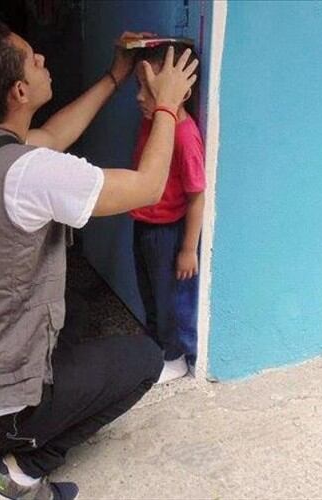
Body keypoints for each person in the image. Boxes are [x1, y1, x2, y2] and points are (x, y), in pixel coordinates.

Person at [0, 17, 198, 500]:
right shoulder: (31, 175)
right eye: (34, 58)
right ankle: (23, 466)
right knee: (144, 358)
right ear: (20, 91)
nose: (44, 58)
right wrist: (167, 106)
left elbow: (48, 136)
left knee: (77, 313)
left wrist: (114, 76)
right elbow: (147, 186)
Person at [129, 42, 205, 383]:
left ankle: (174, 357)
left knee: (166, 298)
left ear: (181, 92)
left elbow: (196, 196)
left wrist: (188, 249)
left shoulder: (185, 136)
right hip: (143, 223)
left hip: (166, 233)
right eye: (138, 87)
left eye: (148, 89)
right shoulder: (155, 122)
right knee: (148, 291)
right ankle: (155, 347)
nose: (139, 97)